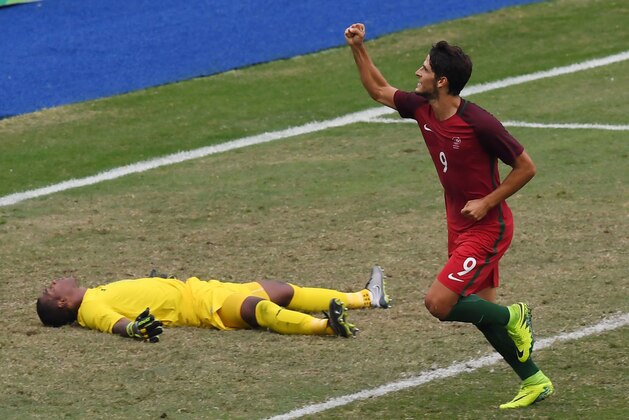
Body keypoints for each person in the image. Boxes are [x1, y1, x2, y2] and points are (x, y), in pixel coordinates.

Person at [345, 23, 552, 409]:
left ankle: (514, 315)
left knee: (440, 303)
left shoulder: (479, 123)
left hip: (488, 227)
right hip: (459, 226)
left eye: (423, 69)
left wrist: (488, 201)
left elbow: (526, 167)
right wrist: (359, 47)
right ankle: (535, 380)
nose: (417, 74)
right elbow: (378, 90)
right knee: (481, 314)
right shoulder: (422, 109)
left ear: (441, 81)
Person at [36, 266, 391, 341]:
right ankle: (326, 326)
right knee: (261, 310)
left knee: (281, 289)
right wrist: (132, 328)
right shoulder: (88, 310)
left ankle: (365, 298)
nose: (52, 283)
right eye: (51, 291)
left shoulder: (93, 295)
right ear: (65, 303)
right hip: (202, 307)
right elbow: (112, 323)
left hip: (203, 289)